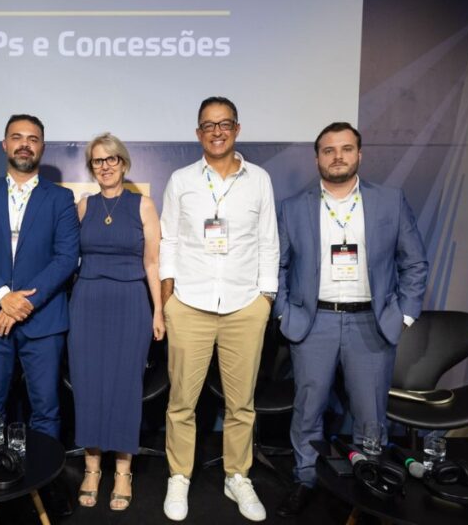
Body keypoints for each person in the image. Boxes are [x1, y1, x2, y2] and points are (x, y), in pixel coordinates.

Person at [274, 122, 428, 517]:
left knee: (370, 414)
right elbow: (278, 265)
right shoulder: (293, 207)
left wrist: (404, 315)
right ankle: (306, 479)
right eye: (328, 150)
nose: (337, 156)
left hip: (371, 324)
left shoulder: (390, 201)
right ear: (317, 159)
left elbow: (414, 262)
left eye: (345, 149)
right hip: (314, 323)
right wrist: (285, 312)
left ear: (359, 154)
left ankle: (369, 486)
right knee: (308, 411)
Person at [160, 97, 278, 522]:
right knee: (181, 402)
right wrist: (169, 299)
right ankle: (179, 475)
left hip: (244, 306)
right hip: (189, 305)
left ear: (237, 129)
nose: (217, 131)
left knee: (241, 404)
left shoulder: (259, 179)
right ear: (198, 133)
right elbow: (169, 240)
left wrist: (265, 299)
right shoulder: (181, 180)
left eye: (225, 123)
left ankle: (237, 476)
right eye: (209, 125)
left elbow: (268, 241)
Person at [0, 114, 79, 440]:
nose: (25, 144)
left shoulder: (61, 198)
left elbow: (66, 258)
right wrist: (3, 297)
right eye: (17, 137)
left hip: (43, 319)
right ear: (4, 144)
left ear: (42, 147)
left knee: (46, 409)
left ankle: (43, 472)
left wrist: (24, 303)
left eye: (33, 139)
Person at [68, 133, 164, 511]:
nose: (105, 166)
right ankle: (92, 468)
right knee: (87, 384)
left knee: (125, 386)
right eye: (98, 161)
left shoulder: (144, 205)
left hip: (131, 304)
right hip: (87, 304)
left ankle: (123, 471)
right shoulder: (83, 206)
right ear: (91, 168)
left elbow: (152, 263)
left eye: (112, 159)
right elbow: (68, 258)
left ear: (123, 163)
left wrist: (158, 310)